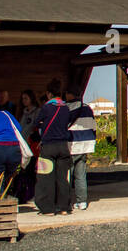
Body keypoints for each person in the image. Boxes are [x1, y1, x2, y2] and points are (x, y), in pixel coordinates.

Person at [34, 78, 73, 215]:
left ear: (49, 93)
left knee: (46, 178)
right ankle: (63, 207)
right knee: (62, 178)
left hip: (48, 146)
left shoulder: (46, 107)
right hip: (63, 147)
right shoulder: (66, 108)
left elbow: (36, 122)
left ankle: (48, 209)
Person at [65, 88, 96, 210]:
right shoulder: (87, 108)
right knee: (81, 175)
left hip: (72, 145)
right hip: (85, 145)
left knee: (68, 175)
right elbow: (93, 126)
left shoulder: (67, 107)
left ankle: (66, 201)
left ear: (69, 94)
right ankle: (82, 201)